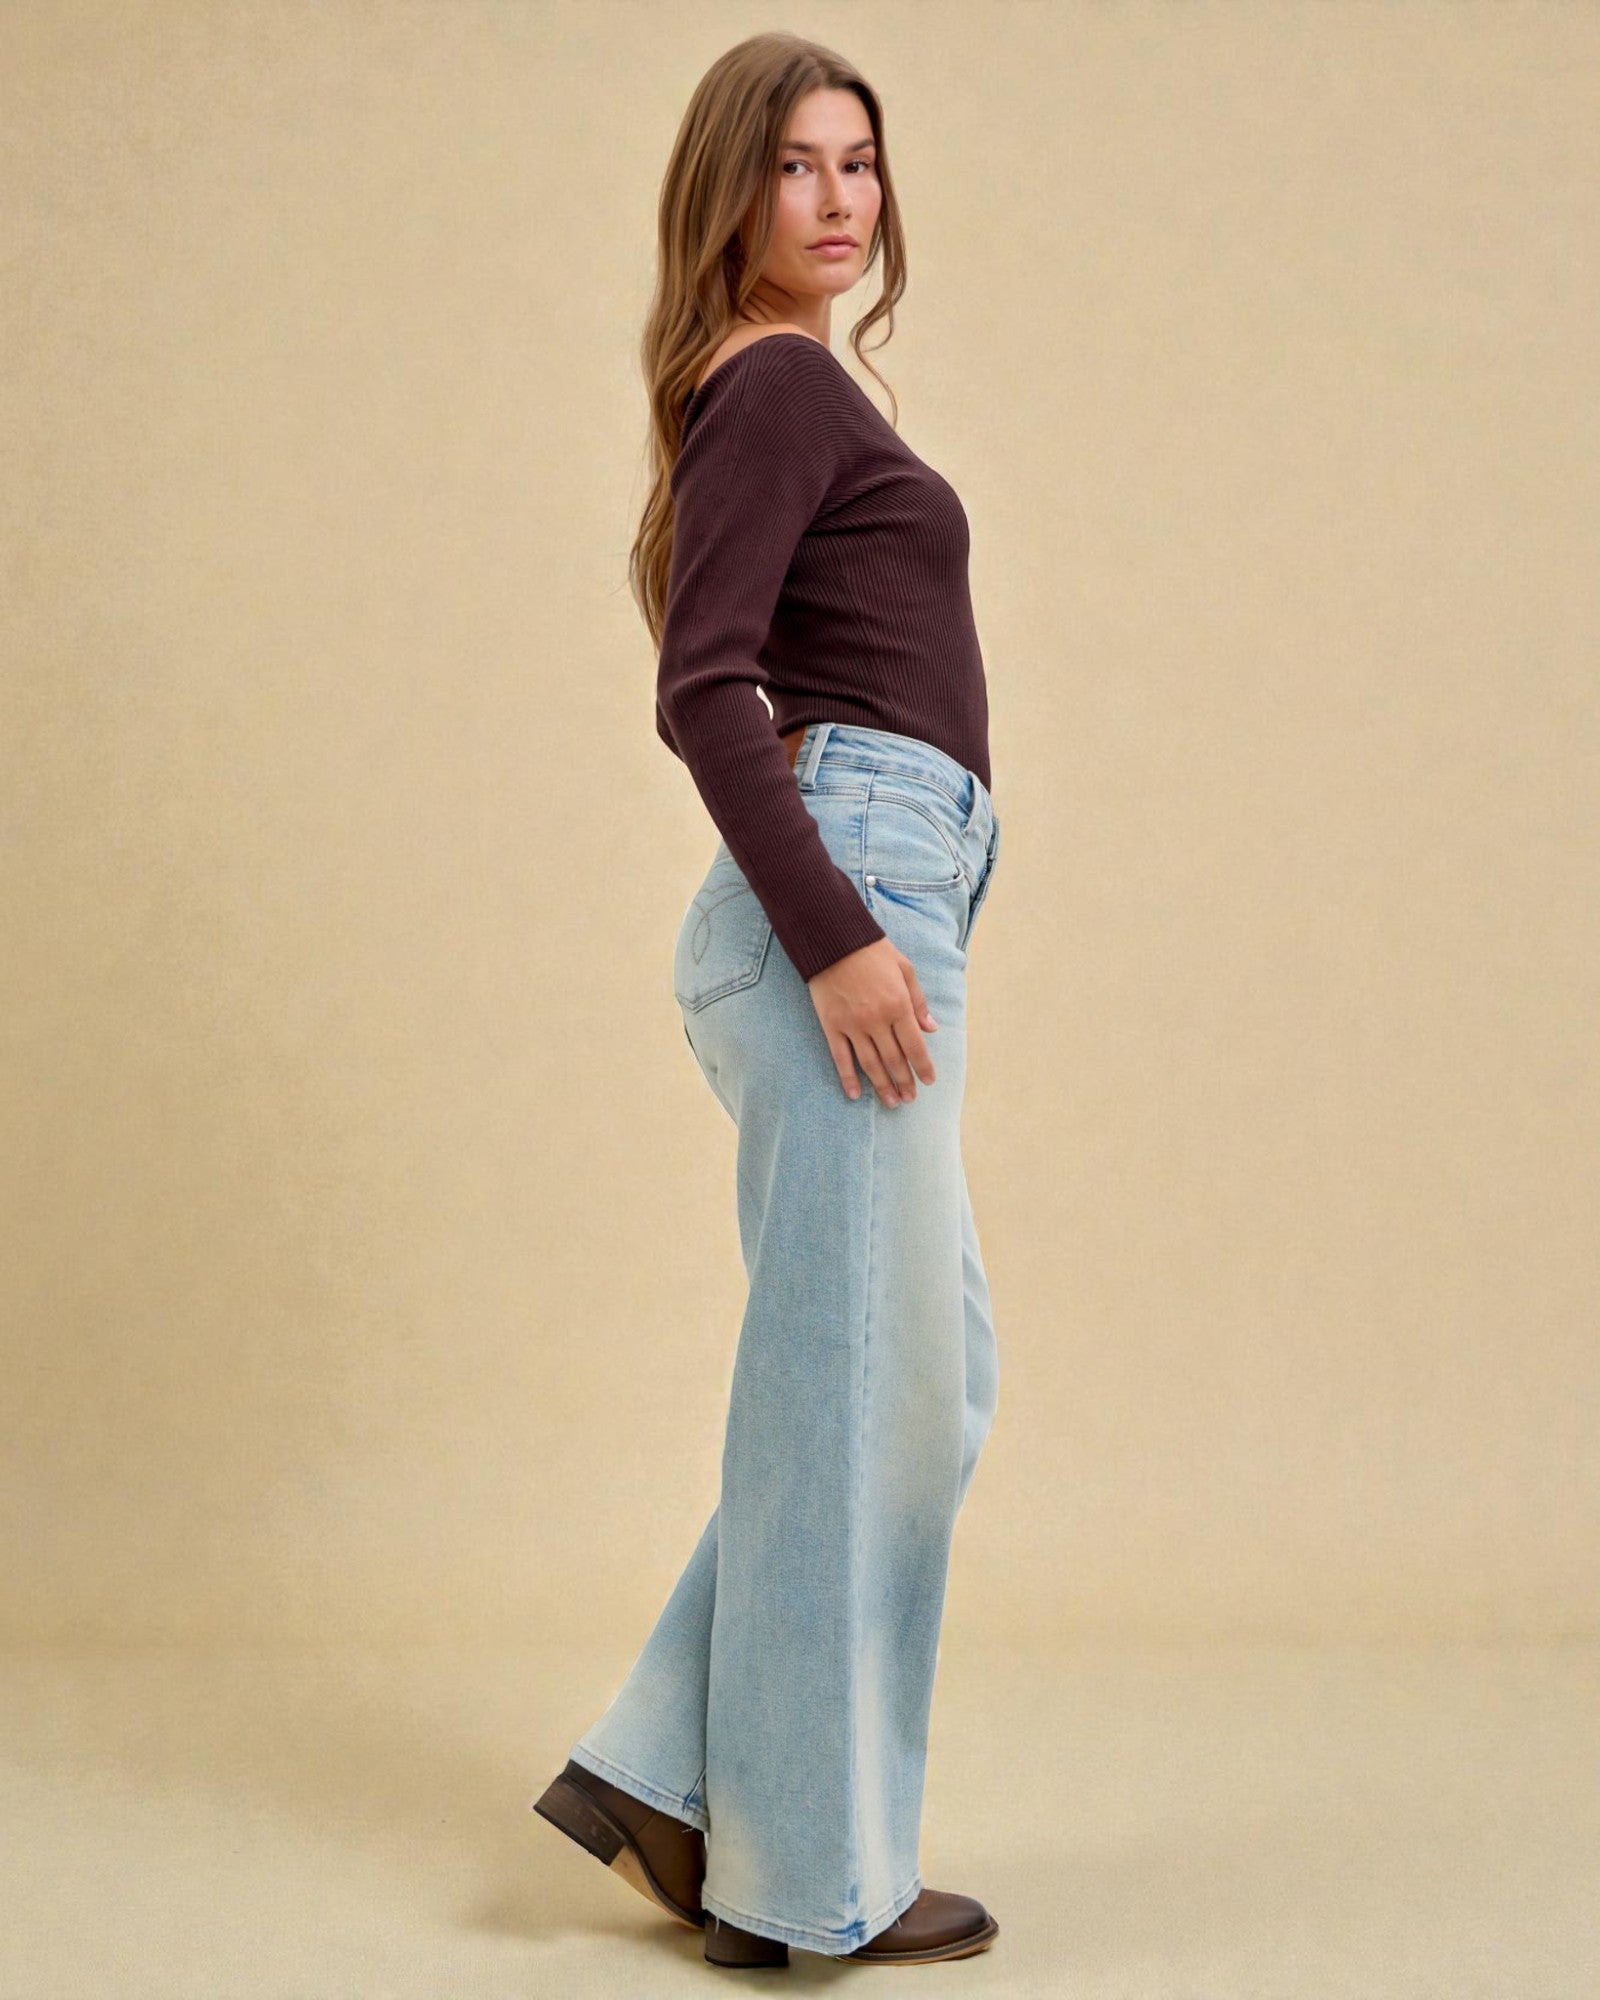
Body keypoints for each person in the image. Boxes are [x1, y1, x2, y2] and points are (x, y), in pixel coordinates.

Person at [534, 31, 1004, 1971]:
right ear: (728, 192)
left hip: (880, 875)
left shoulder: (782, 391)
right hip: (846, 891)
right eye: (795, 165)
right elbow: (700, 686)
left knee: (911, 1384)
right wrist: (833, 929)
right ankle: (799, 1883)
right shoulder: (782, 381)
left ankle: (665, 1769)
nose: (834, 198)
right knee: (852, 1390)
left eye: (857, 164)